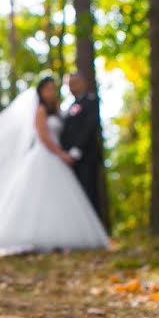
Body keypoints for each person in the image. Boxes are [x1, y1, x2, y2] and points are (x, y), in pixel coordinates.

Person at [0, 76, 109, 255]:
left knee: (59, 200)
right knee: (36, 196)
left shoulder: (60, 111)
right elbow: (43, 137)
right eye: (49, 88)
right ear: (41, 92)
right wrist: (62, 154)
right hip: (45, 156)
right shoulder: (40, 110)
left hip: (60, 159)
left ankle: (59, 238)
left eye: (54, 88)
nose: (52, 91)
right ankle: (28, 237)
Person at [60, 73, 104, 218]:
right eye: (70, 85)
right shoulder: (69, 107)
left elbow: (90, 126)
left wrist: (77, 148)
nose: (73, 87)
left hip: (87, 156)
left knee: (90, 191)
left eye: (75, 83)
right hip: (70, 160)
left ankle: (96, 233)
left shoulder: (91, 101)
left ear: (83, 83)